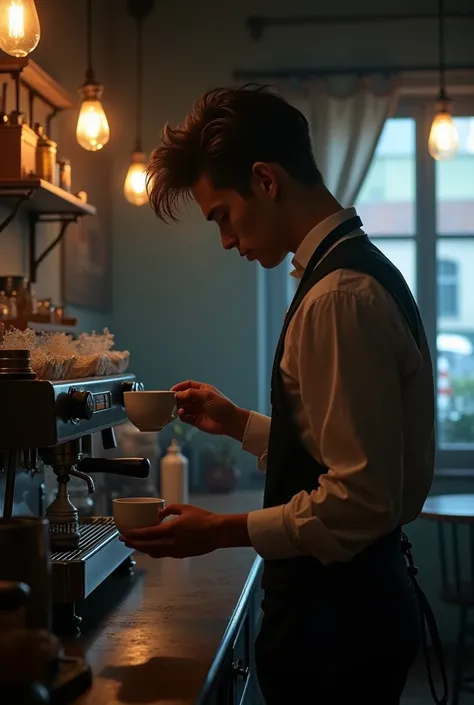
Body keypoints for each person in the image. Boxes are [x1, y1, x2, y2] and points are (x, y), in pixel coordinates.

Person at [121, 85, 440, 704]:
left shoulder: (337, 297)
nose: (226, 241)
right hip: (355, 611)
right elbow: (348, 452)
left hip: (337, 627)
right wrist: (241, 424)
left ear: (265, 180)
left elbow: (360, 499)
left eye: (221, 216)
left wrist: (221, 530)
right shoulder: (354, 272)